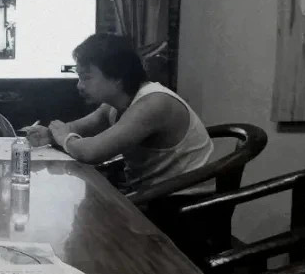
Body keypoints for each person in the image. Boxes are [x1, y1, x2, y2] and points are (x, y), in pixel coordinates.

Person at [25, 33, 213, 190]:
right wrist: (50, 135)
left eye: (86, 77)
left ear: (117, 76)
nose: (79, 86)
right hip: (149, 194)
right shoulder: (115, 104)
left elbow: (92, 152)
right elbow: (78, 128)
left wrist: (64, 137)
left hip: (184, 204)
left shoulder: (153, 104)